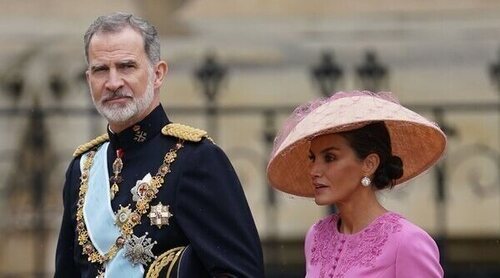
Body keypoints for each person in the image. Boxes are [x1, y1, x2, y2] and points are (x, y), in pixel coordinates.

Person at [55, 12, 264, 278]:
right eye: (101, 70)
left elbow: (241, 273)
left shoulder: (195, 160)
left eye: (127, 66)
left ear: (158, 74)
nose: (113, 82)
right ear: (89, 80)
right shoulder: (82, 169)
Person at [267, 91, 446, 277]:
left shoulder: (407, 242)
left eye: (330, 157)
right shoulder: (317, 236)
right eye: (313, 158)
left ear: (369, 164)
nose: (314, 170)